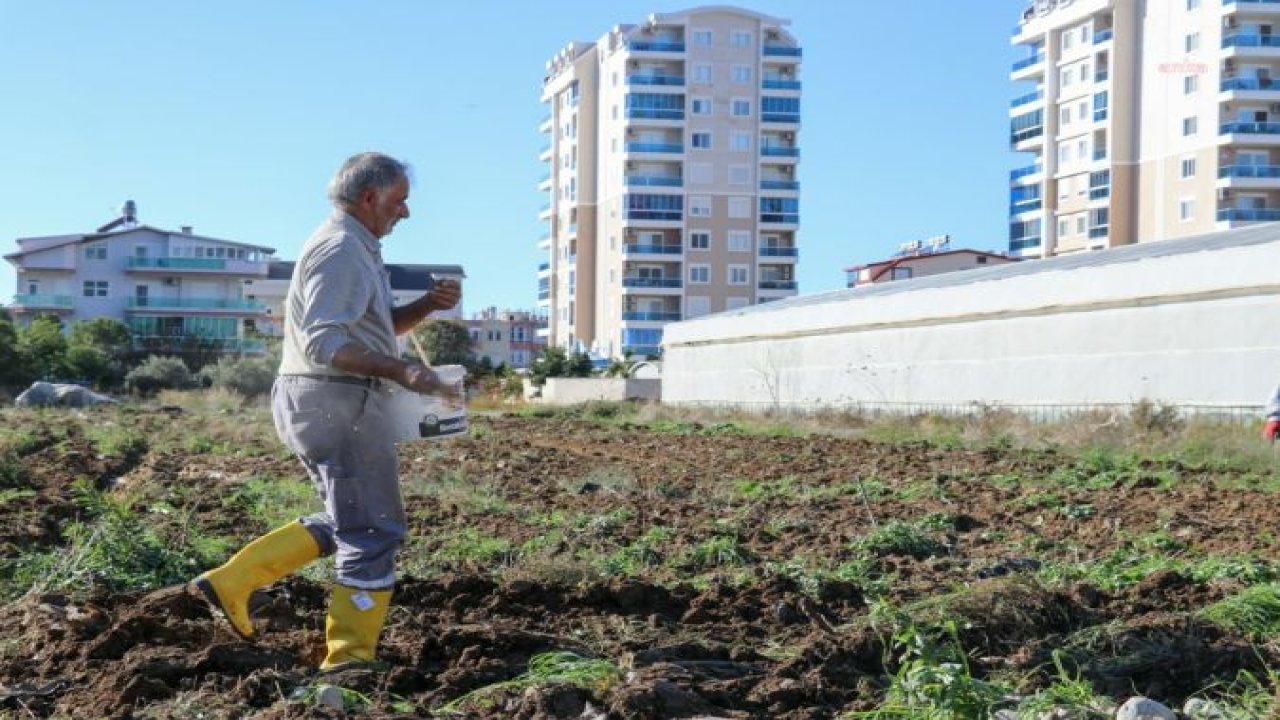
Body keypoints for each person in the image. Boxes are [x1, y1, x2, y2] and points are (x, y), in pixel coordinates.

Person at [191, 152, 462, 671]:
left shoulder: (359, 248)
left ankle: (234, 580)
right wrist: (403, 372)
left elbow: (366, 328)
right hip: (335, 397)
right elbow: (323, 342)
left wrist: (426, 306)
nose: (405, 212)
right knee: (373, 529)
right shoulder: (341, 249)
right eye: (400, 201)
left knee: (349, 516)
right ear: (369, 198)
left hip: (327, 399)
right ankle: (349, 659)